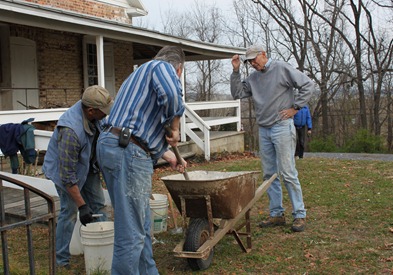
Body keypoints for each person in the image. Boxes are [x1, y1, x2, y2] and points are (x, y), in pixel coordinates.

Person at [96, 45, 187, 274]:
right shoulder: (162, 66)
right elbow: (173, 96)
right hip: (128, 151)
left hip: (115, 144)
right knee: (132, 232)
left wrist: (167, 156)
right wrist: (175, 128)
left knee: (140, 224)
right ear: (179, 69)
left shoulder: (136, 76)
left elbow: (138, 125)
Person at [230, 45, 314, 232]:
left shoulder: (281, 69)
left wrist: (296, 107)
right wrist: (235, 70)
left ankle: (299, 214)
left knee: (288, 172)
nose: (252, 63)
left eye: (254, 59)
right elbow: (237, 93)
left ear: (264, 55)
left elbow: (308, 85)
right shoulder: (252, 78)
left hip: (282, 126)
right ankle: (276, 214)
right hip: (264, 130)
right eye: (249, 61)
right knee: (269, 174)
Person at [42, 85, 114, 269]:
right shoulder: (70, 132)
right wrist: (82, 206)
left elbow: (106, 127)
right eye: (103, 112)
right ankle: (61, 260)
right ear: (91, 111)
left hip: (87, 165)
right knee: (70, 212)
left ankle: (104, 251)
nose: (105, 115)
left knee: (99, 205)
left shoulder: (91, 109)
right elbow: (67, 176)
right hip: (64, 172)